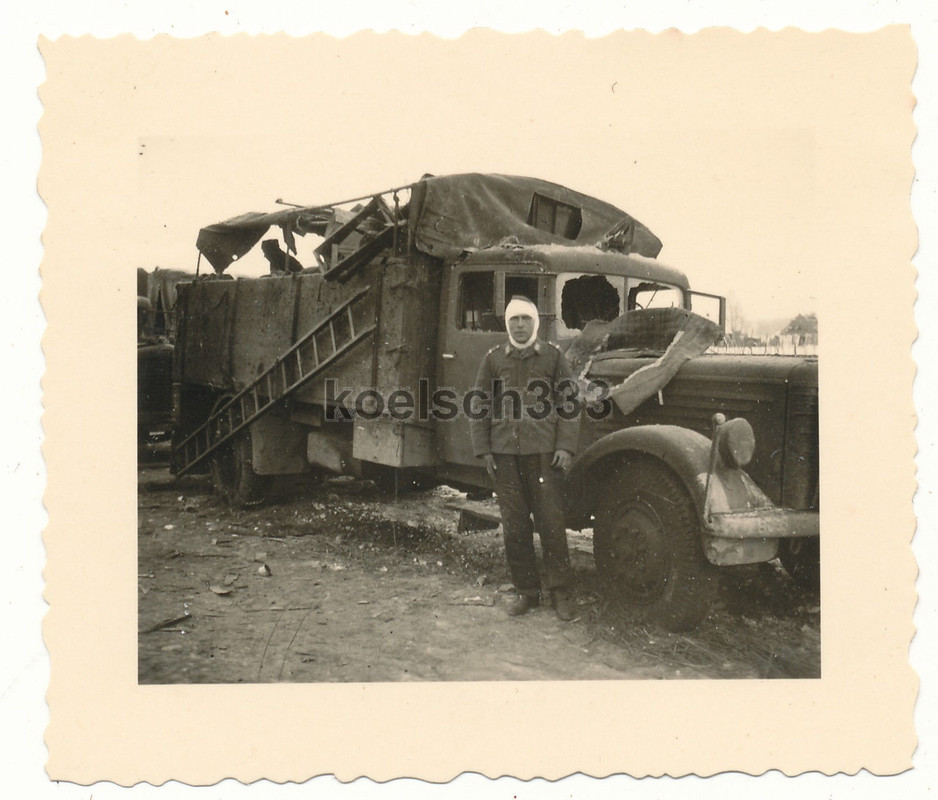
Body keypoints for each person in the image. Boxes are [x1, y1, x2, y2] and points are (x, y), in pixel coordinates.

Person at [469, 296, 580, 620]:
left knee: (551, 524)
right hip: (504, 455)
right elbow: (480, 405)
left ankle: (561, 594)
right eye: (514, 319)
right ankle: (527, 592)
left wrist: (565, 446)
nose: (519, 325)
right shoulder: (493, 360)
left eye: (525, 319)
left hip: (544, 455)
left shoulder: (552, 358)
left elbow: (570, 404)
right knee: (515, 527)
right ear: (507, 324)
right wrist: (484, 449)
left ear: (535, 323)